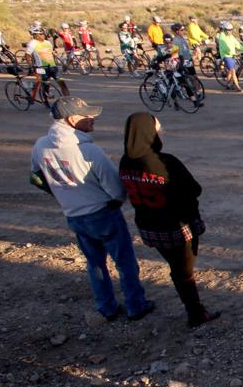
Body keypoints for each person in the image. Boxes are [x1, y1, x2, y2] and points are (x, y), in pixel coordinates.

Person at [31, 97, 155, 322]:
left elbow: (36, 177)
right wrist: (117, 201)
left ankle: (106, 306)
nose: (93, 119)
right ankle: (136, 305)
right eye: (87, 116)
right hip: (102, 212)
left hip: (74, 214)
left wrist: (61, 195)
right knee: (125, 262)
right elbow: (115, 187)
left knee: (95, 263)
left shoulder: (41, 145)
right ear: (71, 120)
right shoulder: (89, 151)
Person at [119, 113, 219, 327]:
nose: (161, 131)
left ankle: (193, 307)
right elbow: (194, 189)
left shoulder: (125, 162)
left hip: (148, 226)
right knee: (184, 271)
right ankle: (195, 313)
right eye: (158, 128)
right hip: (174, 227)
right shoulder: (165, 162)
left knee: (177, 268)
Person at [26, 25, 69, 99]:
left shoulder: (47, 43)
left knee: (62, 83)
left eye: (44, 33)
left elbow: (52, 53)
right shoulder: (32, 43)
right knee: (45, 83)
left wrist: (61, 61)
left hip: (53, 66)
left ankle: (69, 99)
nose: (44, 35)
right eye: (42, 34)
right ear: (36, 35)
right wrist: (30, 66)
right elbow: (27, 55)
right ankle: (37, 96)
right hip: (42, 68)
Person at [170, 24, 203, 107]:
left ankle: (197, 93)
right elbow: (174, 54)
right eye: (181, 30)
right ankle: (177, 101)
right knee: (182, 82)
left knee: (194, 77)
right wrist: (180, 60)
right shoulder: (175, 40)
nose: (183, 31)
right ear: (177, 31)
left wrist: (192, 55)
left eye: (183, 30)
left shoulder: (182, 39)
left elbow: (186, 50)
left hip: (188, 60)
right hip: (182, 62)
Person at [216, 21, 243, 92]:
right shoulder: (221, 37)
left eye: (231, 29)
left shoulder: (231, 36)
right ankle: (237, 87)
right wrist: (232, 52)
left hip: (232, 55)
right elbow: (225, 48)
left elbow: (237, 44)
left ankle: (227, 85)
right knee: (233, 71)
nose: (231, 31)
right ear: (224, 30)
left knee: (230, 72)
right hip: (226, 56)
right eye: (229, 30)